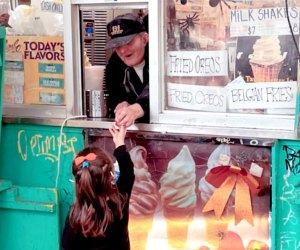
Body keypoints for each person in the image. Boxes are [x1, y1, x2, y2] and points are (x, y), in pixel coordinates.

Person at [61, 125, 135, 250]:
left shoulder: (74, 216)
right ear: (111, 176)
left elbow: (66, 245)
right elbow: (128, 173)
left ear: (79, 183)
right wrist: (119, 144)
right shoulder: (120, 201)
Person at [105, 13, 149, 128]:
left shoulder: (158, 60)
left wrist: (136, 109)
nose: (123, 50)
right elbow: (113, 96)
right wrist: (122, 105)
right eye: (117, 45)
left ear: (144, 39)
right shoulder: (114, 66)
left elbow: (161, 91)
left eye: (128, 42)